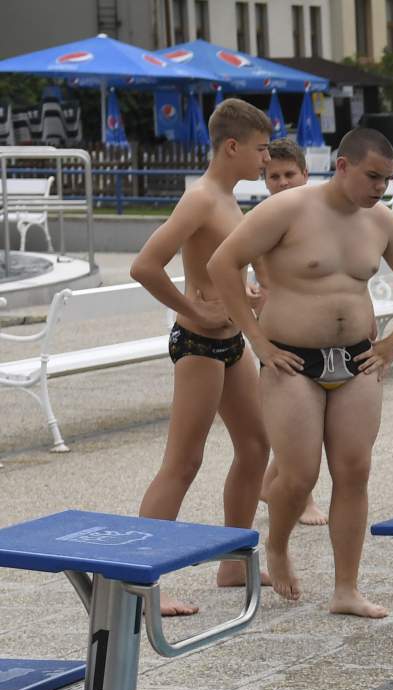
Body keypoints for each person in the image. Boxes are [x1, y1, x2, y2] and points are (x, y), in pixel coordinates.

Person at [207, 127, 393, 619]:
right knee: (298, 473)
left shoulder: (382, 222)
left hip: (356, 360)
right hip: (291, 360)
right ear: (343, 166)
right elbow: (223, 264)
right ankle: (277, 546)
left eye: (387, 179)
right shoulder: (287, 209)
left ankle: (346, 589)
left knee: (354, 471)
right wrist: (258, 341)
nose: (380, 187)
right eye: (373, 176)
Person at [128, 98, 275, 617]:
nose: (265, 159)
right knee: (183, 463)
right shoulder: (202, 199)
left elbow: (221, 270)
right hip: (197, 345)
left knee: (256, 447)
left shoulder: (230, 200)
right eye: (260, 149)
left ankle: (233, 561)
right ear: (231, 146)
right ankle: (142, 584)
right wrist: (194, 309)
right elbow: (145, 266)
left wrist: (244, 296)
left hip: (229, 344)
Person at [259, 138, 330, 527]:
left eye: (290, 174)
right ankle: (300, 497)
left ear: (306, 174)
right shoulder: (265, 218)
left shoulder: (321, 213)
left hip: (317, 325)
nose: (283, 182)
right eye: (275, 176)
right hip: (282, 327)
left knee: (307, 420)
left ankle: (275, 484)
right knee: (299, 422)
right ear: (265, 180)